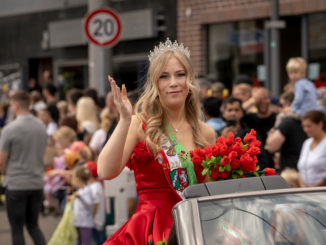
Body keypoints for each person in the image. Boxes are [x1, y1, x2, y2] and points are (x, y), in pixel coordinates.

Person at [97, 38, 216, 244]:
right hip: (151, 228)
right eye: (164, 76)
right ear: (154, 83)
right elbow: (106, 171)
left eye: (180, 74)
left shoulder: (205, 132)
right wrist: (125, 120)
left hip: (195, 227)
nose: (173, 83)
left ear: (189, 80)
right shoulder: (139, 124)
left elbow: (209, 191)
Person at [0, 91, 47, 245]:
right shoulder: (41, 126)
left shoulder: (9, 129)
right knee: (33, 226)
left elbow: (2, 160)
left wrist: (6, 174)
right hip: (36, 182)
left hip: (16, 184)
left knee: (17, 229)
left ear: (16, 105)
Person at [265, 92, 307, 172]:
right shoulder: (308, 120)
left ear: (288, 105)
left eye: (281, 105)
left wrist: (277, 125)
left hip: (290, 171)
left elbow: (270, 147)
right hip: (304, 171)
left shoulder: (286, 122)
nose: (279, 108)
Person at [297, 110, 326, 187]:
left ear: (320, 124)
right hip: (307, 192)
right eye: (304, 126)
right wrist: (302, 185)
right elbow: (301, 169)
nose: (306, 130)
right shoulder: (306, 143)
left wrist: (316, 186)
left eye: (309, 126)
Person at [71, 165, 94, 245]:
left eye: (73, 179)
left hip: (85, 223)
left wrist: (80, 198)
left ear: (78, 179)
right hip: (79, 222)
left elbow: (89, 205)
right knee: (79, 242)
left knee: (86, 242)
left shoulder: (87, 190)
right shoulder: (80, 191)